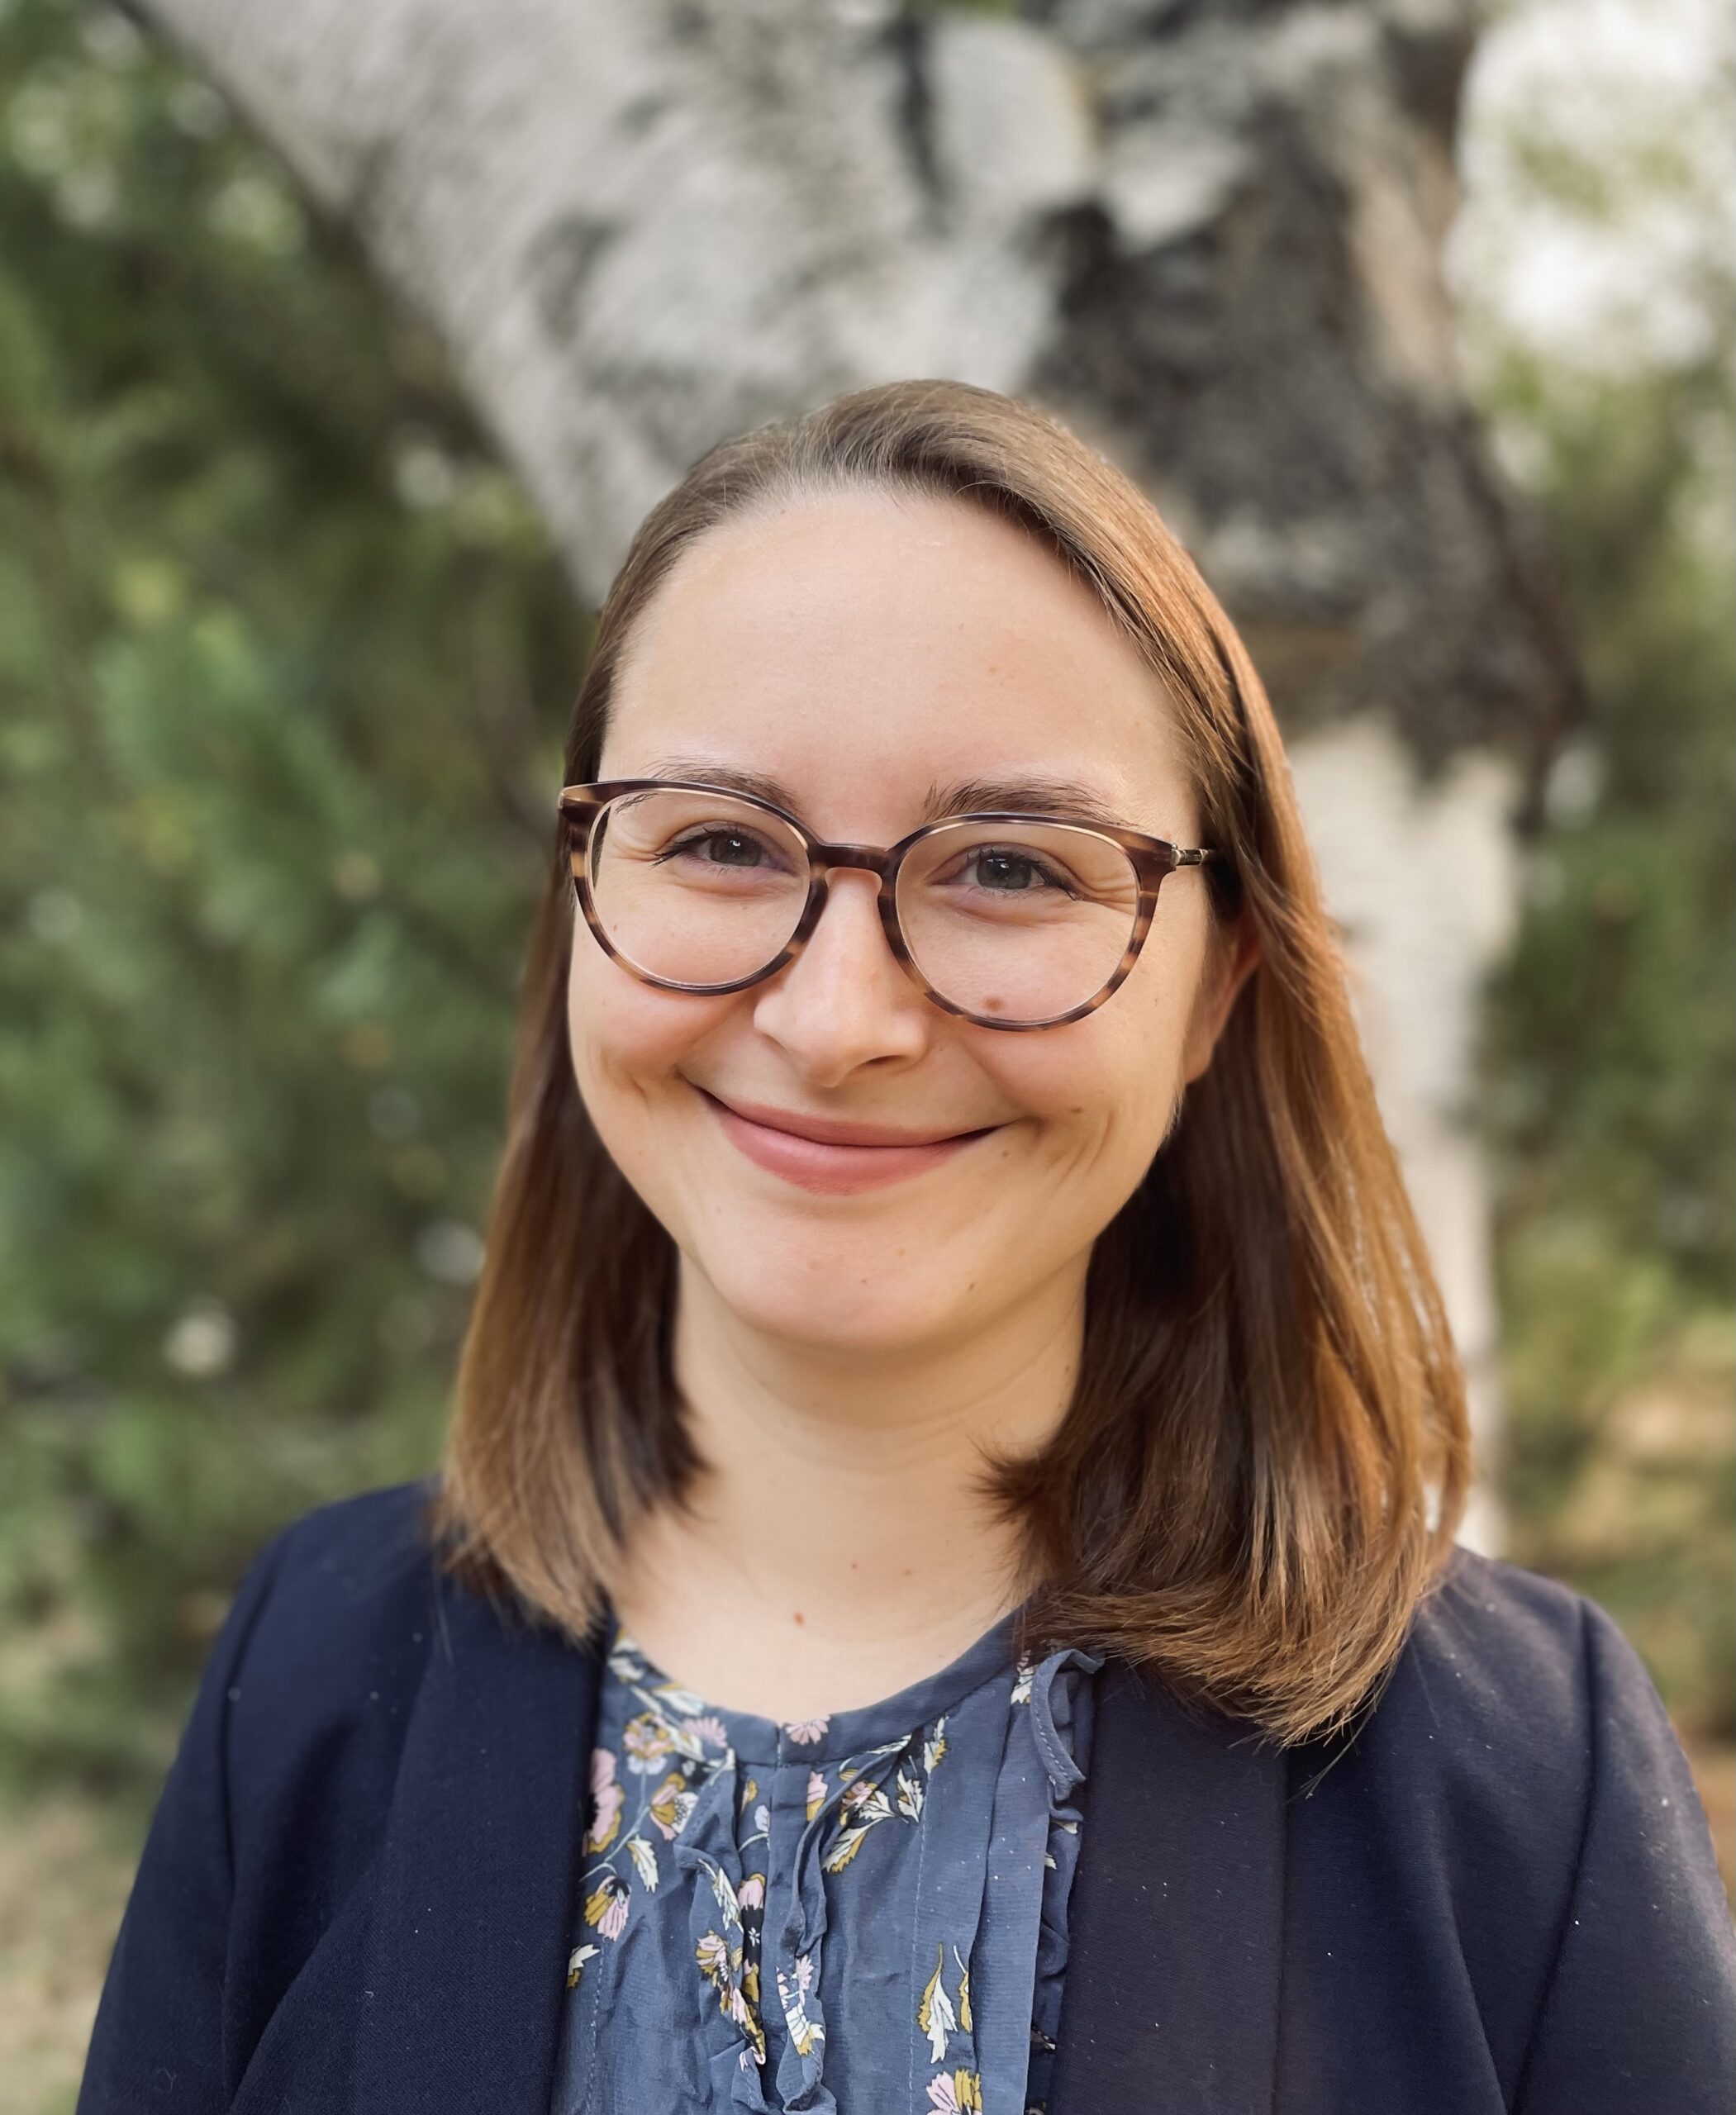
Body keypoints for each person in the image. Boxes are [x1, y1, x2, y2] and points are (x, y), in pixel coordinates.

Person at [77, 379, 1734, 2115]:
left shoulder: (1519, 1777)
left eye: (1011, 866)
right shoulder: (314, 1671)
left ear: (1216, 986)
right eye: (718, 840)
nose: (838, 1016)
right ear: (583, 886)